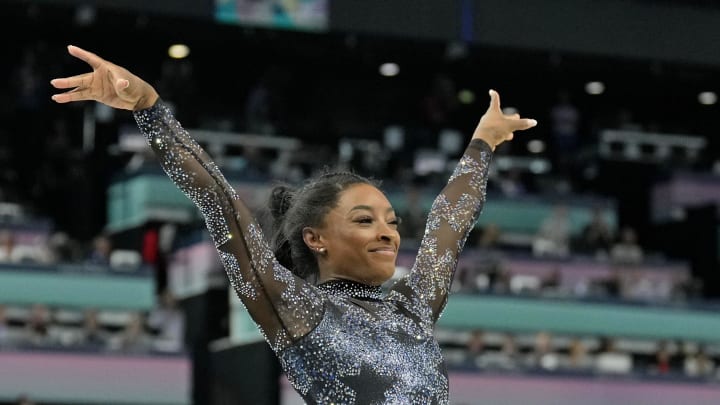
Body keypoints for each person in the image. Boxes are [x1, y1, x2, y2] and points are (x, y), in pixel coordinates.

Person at [51, 45, 537, 404]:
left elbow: (448, 227)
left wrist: (482, 145)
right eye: (364, 220)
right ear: (315, 238)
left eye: (390, 221)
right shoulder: (299, 310)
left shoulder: (412, 310)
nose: (389, 232)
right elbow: (222, 205)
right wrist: (150, 110)